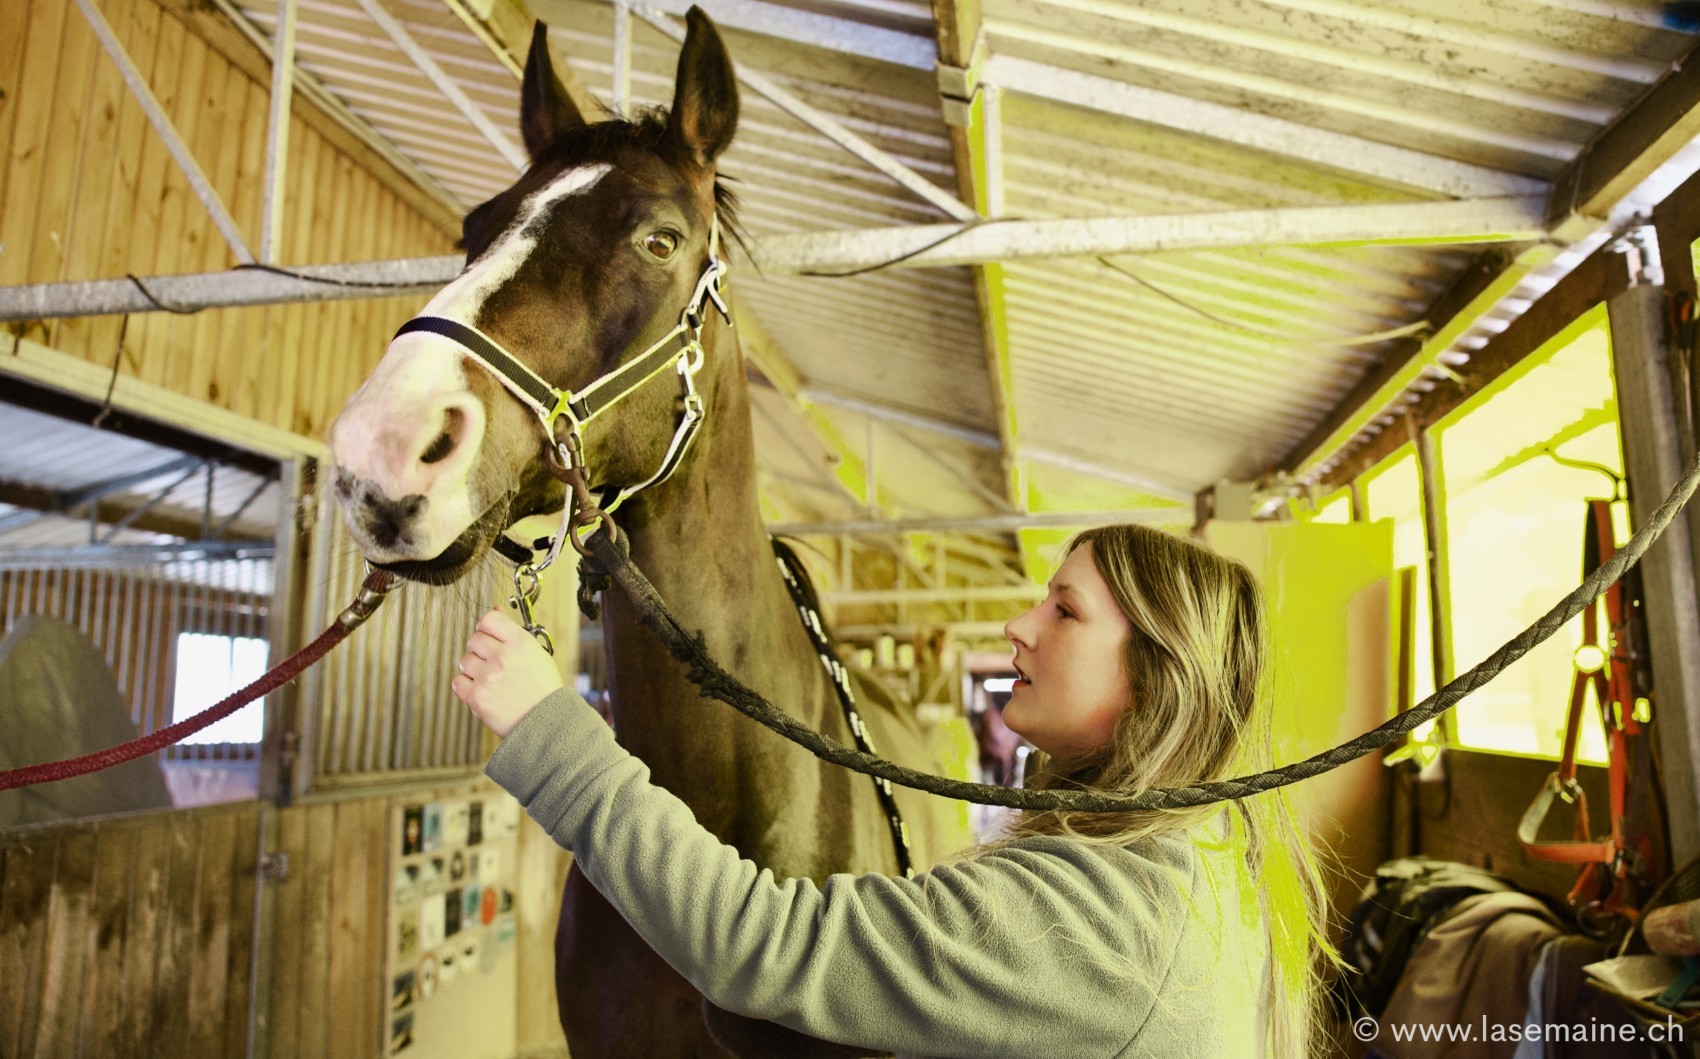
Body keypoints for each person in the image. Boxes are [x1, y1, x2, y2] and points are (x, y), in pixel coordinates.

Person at [453, 524, 1337, 1057]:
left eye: (1064, 611)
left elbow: (762, 941)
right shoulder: (1206, 854)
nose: (1018, 625)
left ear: (1155, 678)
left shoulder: (1099, 914)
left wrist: (549, 729)